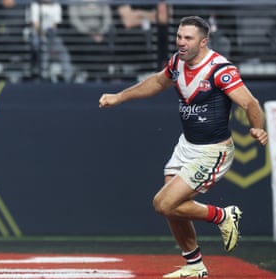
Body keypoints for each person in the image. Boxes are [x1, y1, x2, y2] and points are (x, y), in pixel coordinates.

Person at [99, 16, 268, 278]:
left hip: (213, 151)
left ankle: (223, 216)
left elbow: (250, 102)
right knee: (175, 209)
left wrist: (257, 127)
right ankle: (195, 264)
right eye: (179, 36)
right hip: (186, 146)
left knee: (163, 203)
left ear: (203, 42)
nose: (181, 42)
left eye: (187, 38)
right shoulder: (178, 62)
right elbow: (156, 82)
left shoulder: (219, 70)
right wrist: (119, 97)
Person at [28, 0, 73, 82]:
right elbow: (35, 24)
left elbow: (54, 25)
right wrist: (42, 35)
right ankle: (44, 75)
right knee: (43, 48)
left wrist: (48, 35)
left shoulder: (56, 5)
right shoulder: (35, 5)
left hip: (52, 35)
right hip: (37, 35)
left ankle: (68, 76)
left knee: (63, 51)